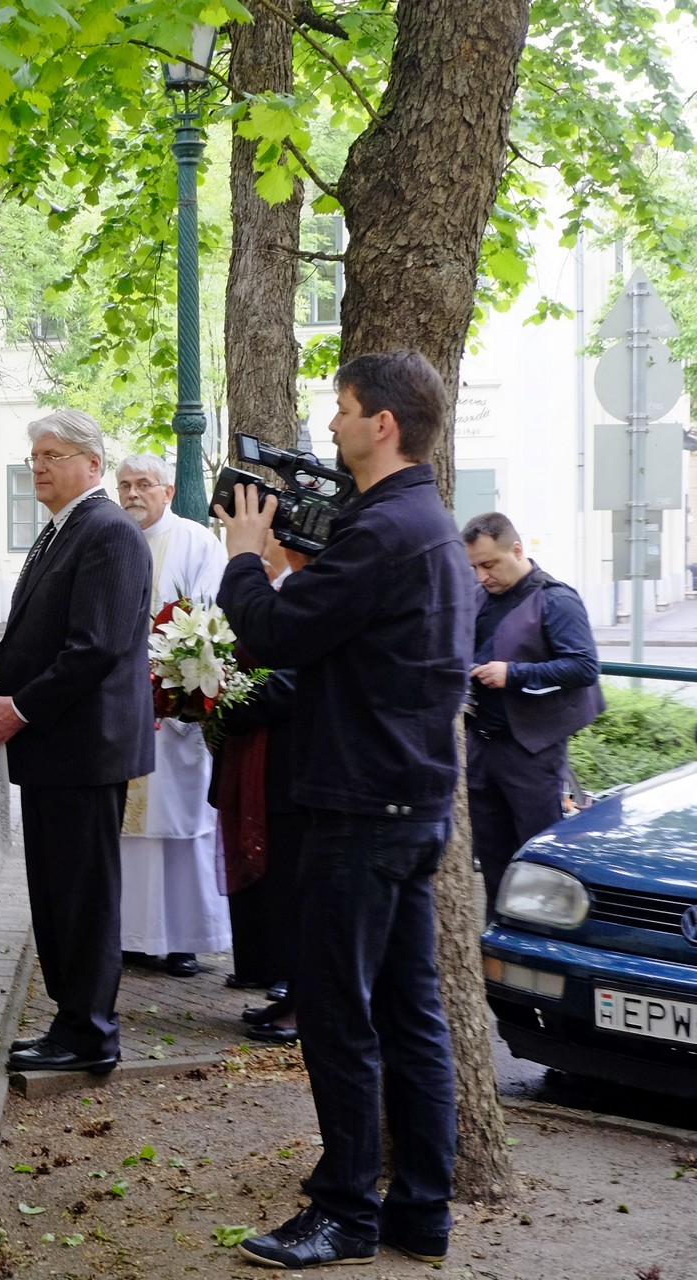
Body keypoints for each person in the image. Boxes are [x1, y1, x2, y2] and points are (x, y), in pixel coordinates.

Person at [215, 350, 472, 1270]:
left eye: (343, 408)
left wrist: (245, 561)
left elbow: (276, 631)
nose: (331, 425)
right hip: (408, 803)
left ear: (383, 425)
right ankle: (421, 1214)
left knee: (336, 1015)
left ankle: (346, 1214)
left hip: (361, 809)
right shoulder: (422, 524)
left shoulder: (387, 530)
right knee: (409, 1014)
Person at [0, 410, 154, 1076]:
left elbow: (95, 646)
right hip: (58, 749)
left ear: (92, 464)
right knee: (56, 896)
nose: (38, 467)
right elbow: (43, 632)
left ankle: (91, 1033)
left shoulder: (108, 532)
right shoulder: (61, 530)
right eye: (34, 457)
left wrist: (21, 707)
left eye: (52, 455)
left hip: (84, 749)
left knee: (82, 898)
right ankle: (71, 1022)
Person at [113, 453, 231, 978]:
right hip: (122, 708)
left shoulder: (196, 542)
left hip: (175, 709)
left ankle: (185, 938)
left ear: (167, 491)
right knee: (128, 831)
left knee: (181, 825)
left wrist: (176, 681)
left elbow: (211, 619)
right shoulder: (113, 538)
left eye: (144, 484)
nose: (133, 494)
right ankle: (133, 936)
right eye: (124, 485)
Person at [462, 511, 603, 913]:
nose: (482, 576)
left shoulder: (557, 599)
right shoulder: (478, 597)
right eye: (474, 567)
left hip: (532, 751)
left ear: (517, 550)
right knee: (491, 859)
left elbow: (584, 667)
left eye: (489, 564)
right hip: (480, 746)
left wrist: (513, 674)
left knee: (539, 860)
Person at [214, 545, 311, 1043]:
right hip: (257, 758)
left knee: (294, 889)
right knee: (274, 890)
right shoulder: (274, 591)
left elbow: (295, 679)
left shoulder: (309, 593)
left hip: (290, 760)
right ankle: (286, 992)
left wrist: (230, 699)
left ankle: (302, 1004)